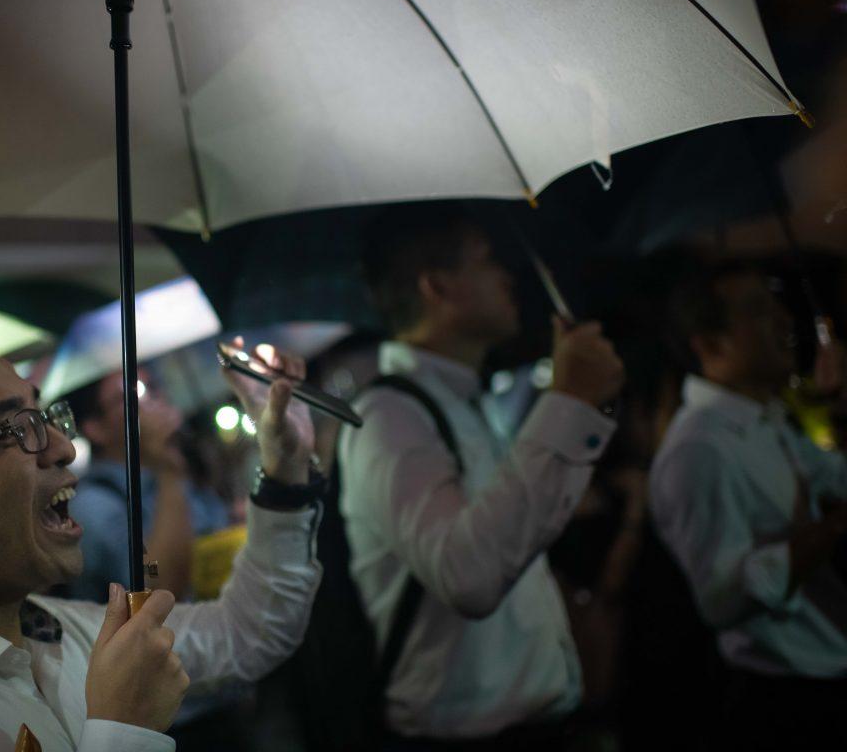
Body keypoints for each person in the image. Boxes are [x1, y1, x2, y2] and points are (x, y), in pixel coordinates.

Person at [0, 301, 323, 752]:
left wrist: (286, 471)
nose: (63, 448)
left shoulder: (59, 628)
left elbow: (247, 632)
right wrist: (124, 732)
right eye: (13, 429)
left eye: (43, 416)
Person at [338, 211, 625, 749]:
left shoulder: (468, 404)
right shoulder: (389, 416)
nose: (508, 276)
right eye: (488, 260)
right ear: (438, 286)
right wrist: (568, 401)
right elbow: (468, 576)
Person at [650, 262, 847, 749]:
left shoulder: (764, 419)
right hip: (786, 704)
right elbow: (722, 599)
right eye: (758, 310)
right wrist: (831, 530)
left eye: (777, 301)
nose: (785, 321)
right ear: (710, 344)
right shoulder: (699, 449)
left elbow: (836, 479)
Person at [64, 371, 229, 603]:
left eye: (150, 388)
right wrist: (168, 473)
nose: (149, 402)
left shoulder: (175, 471)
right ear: (95, 429)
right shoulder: (93, 505)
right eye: (127, 398)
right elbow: (157, 590)